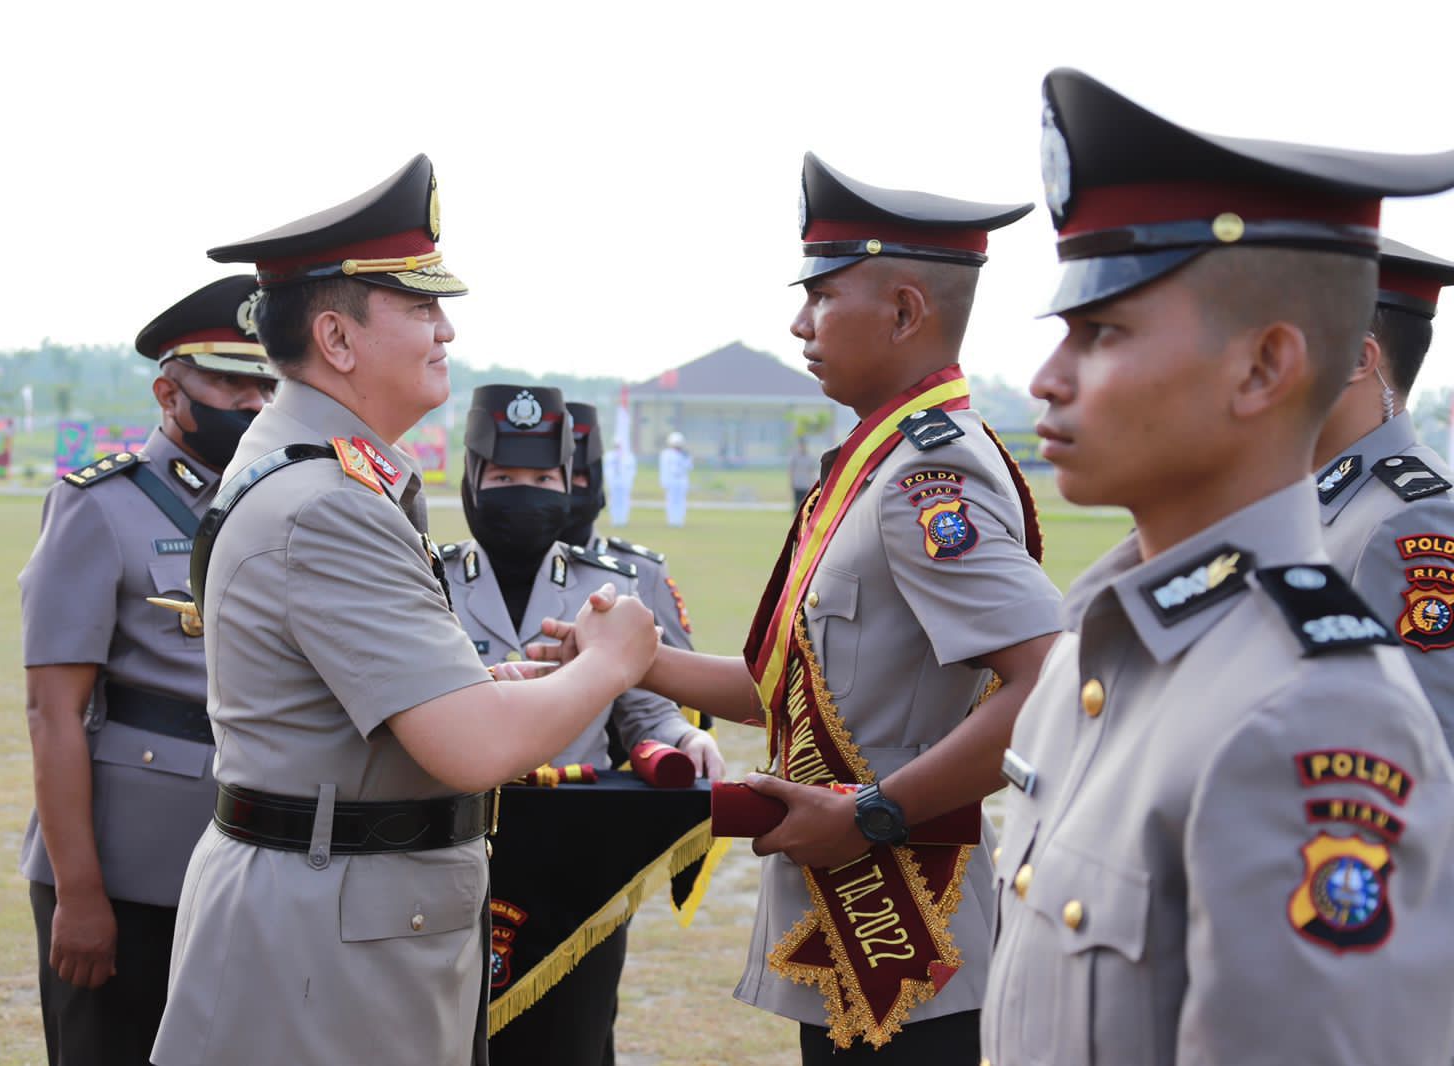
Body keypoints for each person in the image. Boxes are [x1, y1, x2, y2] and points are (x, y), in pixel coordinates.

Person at [539, 151, 1061, 1063]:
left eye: (822, 294)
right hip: (859, 918)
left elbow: (1045, 683)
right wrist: (622, 662)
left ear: (904, 312)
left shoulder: (928, 475)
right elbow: (789, 687)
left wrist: (873, 813)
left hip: (911, 923)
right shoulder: (874, 466)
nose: (799, 321)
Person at [981, 69, 1454, 1065]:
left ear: (1262, 368)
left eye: (1102, 332)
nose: (1046, 379)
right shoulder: (1095, 654)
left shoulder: (1309, 715)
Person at [150, 156, 660, 1066]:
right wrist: (611, 662)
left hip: (341, 909)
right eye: (421, 307)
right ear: (339, 340)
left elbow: (364, 703)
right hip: (331, 935)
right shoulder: (328, 500)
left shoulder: (321, 471)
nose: (446, 329)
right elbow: (472, 749)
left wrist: (481, 682)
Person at [17, 275, 276, 1066]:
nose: (255, 403)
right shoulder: (99, 505)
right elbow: (53, 713)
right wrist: (81, 894)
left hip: (252, 858)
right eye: (230, 380)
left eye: (266, 382)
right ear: (171, 391)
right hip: (127, 866)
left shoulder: (274, 502)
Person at [443, 383, 721, 1065]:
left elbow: (643, 705)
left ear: (569, 482)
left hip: (577, 857)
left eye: (543, 478)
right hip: (449, 849)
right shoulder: (428, 578)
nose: (524, 493)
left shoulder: (615, 583)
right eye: (505, 477)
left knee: (573, 1034)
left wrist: (685, 736)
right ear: (474, 481)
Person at [1312, 238, 1454, 752]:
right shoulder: (1323, 500)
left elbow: (1423, 752)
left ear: (1356, 359)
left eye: (1278, 342)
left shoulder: (1411, 517)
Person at [563, 402, 703, 723]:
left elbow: (687, 695)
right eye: (546, 477)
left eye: (578, 476)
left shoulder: (643, 573)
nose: (564, 489)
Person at [657, 430, 693, 526]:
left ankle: (679, 521)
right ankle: (672, 521)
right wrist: (663, 481)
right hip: (671, 480)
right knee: (671, 501)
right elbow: (663, 469)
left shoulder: (685, 454)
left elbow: (689, 467)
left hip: (681, 481)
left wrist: (686, 457)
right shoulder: (666, 454)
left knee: (681, 501)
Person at [604, 438, 636, 526]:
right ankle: (615, 520)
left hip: (624, 482)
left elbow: (631, 471)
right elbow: (607, 470)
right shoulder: (609, 456)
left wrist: (629, 482)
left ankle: (623, 520)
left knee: (624, 501)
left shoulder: (628, 457)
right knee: (614, 501)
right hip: (614, 482)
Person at [787, 436, 817, 509]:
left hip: (806, 485)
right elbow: (791, 470)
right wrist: (791, 482)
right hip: (797, 485)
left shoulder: (809, 457)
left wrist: (812, 483)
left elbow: (811, 471)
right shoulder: (795, 457)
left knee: (805, 505)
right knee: (797, 505)